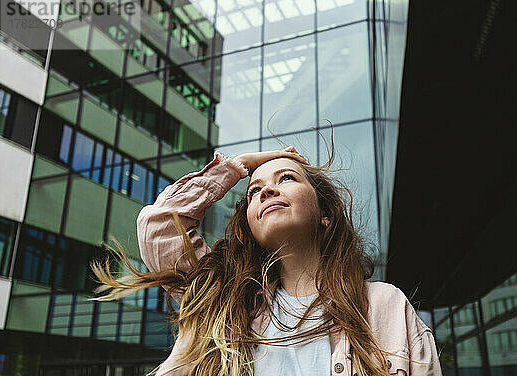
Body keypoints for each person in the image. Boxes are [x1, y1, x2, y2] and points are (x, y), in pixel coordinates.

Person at [93, 142, 442, 376]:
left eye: (286, 179)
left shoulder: (384, 305)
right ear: (249, 222)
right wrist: (239, 167)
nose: (267, 191)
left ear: (325, 214)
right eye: (254, 191)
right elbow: (159, 225)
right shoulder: (229, 301)